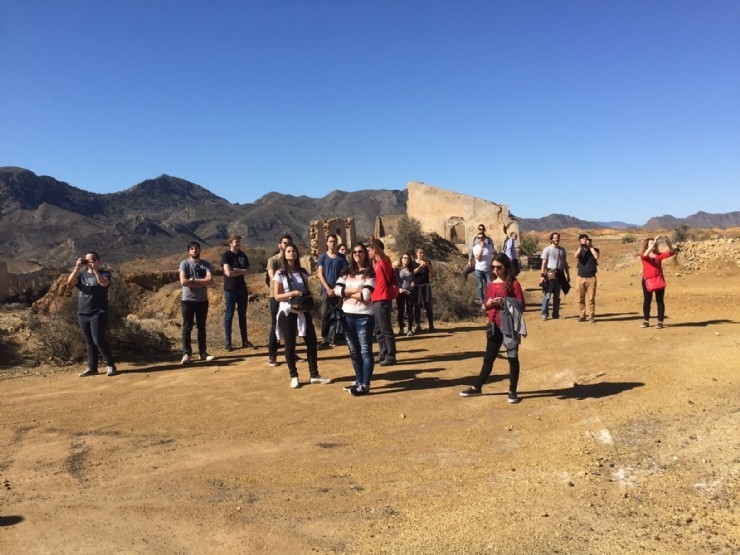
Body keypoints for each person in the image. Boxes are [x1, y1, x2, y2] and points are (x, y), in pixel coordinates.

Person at [460, 253, 526, 403]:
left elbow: (521, 305)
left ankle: (513, 390)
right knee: (489, 358)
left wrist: (504, 301)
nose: (495, 270)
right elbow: (484, 305)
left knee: (512, 358)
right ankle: (477, 387)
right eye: (493, 267)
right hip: (494, 325)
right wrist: (489, 304)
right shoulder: (490, 284)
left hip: (509, 326)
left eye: (499, 267)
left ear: (506, 267)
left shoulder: (513, 283)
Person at [273, 242, 332, 388]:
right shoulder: (279, 274)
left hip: (303, 311)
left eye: (294, 251)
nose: (292, 253)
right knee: (290, 345)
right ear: (284, 254)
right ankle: (294, 375)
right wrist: (292, 294)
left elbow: (308, 289)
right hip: (287, 311)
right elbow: (277, 296)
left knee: (311, 342)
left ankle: (314, 374)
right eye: (289, 251)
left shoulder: (303, 272)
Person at [334, 242, 376, 396]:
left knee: (365, 351)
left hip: (364, 316)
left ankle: (365, 384)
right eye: (355, 252)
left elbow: (366, 295)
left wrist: (346, 292)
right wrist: (355, 290)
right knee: (354, 351)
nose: (357, 254)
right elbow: (336, 290)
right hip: (347, 316)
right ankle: (358, 380)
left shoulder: (371, 273)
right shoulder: (347, 271)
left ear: (365, 253)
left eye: (360, 251)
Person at [67, 251, 118, 377]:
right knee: (89, 341)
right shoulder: (82, 275)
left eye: (93, 259)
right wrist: (77, 268)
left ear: (98, 261)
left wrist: (95, 270)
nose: (90, 262)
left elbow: (104, 283)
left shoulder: (105, 274)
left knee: (98, 339)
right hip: (83, 312)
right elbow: (70, 283)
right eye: (88, 260)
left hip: (98, 312)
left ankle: (110, 365)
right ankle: (92, 367)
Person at [179, 241, 215, 363]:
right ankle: (187, 354)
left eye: (196, 248)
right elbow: (183, 281)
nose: (194, 250)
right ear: (189, 251)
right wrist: (201, 282)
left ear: (200, 250)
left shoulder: (206, 265)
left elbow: (210, 280)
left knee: (201, 327)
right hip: (187, 300)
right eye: (192, 249)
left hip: (202, 300)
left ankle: (203, 353)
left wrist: (193, 280)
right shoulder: (184, 264)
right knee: (187, 328)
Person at [220, 234, 254, 351]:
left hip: (242, 289)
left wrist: (238, 270)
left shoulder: (242, 255)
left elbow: (249, 271)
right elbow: (228, 273)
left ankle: (245, 340)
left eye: (239, 241)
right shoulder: (226, 255)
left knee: (242, 315)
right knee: (229, 315)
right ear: (230, 243)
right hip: (230, 289)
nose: (238, 243)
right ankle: (228, 343)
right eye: (236, 242)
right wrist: (242, 271)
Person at [367, 236, 398, 366]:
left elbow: (382, 254)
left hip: (383, 300)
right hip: (375, 300)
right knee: (378, 330)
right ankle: (383, 353)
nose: (368, 252)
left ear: (375, 250)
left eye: (370, 249)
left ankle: (391, 356)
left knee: (385, 329)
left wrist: (374, 242)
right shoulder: (375, 265)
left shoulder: (385, 262)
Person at [317, 233, 348, 349]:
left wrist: (337, 288)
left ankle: (334, 338)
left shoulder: (342, 257)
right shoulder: (323, 257)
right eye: (330, 241)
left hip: (338, 291)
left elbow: (346, 272)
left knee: (338, 314)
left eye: (334, 241)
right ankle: (325, 338)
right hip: (326, 290)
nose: (332, 243)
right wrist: (328, 288)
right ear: (327, 243)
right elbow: (320, 273)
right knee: (325, 314)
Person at [266, 234, 292, 367]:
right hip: (275, 297)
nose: (286, 245)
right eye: (284, 243)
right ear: (279, 245)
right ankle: (272, 355)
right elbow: (272, 276)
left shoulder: (291, 261)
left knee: (289, 325)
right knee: (275, 325)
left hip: (289, 298)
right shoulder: (273, 260)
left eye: (288, 243)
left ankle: (291, 352)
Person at [640, 235, 675, 329]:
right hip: (647, 281)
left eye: (654, 243)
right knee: (647, 301)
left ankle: (660, 322)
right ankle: (646, 321)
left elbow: (672, 252)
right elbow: (644, 255)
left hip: (658, 280)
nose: (654, 244)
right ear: (647, 245)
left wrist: (668, 243)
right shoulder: (644, 255)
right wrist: (653, 243)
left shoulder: (658, 256)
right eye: (651, 243)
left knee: (660, 301)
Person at [539, 232, 570, 320]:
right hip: (549, 274)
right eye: (555, 238)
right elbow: (544, 263)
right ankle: (544, 314)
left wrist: (568, 274)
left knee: (557, 296)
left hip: (560, 275)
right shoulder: (547, 249)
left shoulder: (562, 250)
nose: (557, 239)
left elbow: (564, 263)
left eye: (558, 238)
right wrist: (542, 276)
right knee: (547, 295)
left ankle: (555, 314)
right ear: (551, 239)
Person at [574, 233, 600, 323]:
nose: (585, 241)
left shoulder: (595, 250)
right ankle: (582, 316)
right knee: (580, 298)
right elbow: (575, 256)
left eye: (586, 239)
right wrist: (581, 247)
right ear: (580, 241)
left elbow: (597, 256)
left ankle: (591, 316)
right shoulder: (579, 250)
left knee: (591, 298)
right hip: (580, 277)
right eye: (583, 239)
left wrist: (591, 247)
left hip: (591, 278)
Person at [413, 246, 435, 332]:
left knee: (428, 306)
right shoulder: (413, 263)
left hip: (426, 286)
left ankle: (431, 325)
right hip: (417, 287)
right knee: (417, 306)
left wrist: (428, 266)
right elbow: (411, 273)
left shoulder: (427, 262)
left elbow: (433, 274)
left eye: (423, 253)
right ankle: (417, 325)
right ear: (416, 253)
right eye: (420, 253)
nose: (422, 254)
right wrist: (419, 267)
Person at [395, 253, 416, 336]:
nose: (406, 260)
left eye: (407, 258)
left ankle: (410, 329)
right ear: (401, 259)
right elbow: (395, 280)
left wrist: (413, 283)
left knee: (410, 310)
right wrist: (399, 288)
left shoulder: (411, 270)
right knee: (401, 311)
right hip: (400, 292)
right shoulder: (397, 270)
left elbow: (413, 279)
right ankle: (401, 328)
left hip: (410, 292)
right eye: (404, 258)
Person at [472, 232, 494, 310]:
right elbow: (478, 258)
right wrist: (481, 248)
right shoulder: (475, 248)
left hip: (488, 269)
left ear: (485, 238)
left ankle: (489, 302)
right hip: (479, 270)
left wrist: (493, 265)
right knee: (480, 286)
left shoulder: (489, 246)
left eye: (482, 237)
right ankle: (482, 303)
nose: (480, 239)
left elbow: (493, 254)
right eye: (479, 238)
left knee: (489, 286)